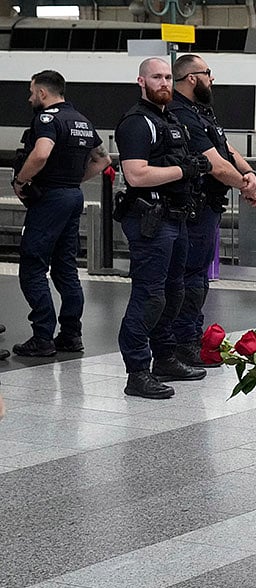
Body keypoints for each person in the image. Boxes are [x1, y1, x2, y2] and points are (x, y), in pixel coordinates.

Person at [115, 57, 213, 399]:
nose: (165, 83)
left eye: (169, 77)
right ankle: (137, 371)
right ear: (141, 81)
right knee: (149, 297)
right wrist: (185, 170)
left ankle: (165, 358)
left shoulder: (169, 119)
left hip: (177, 217)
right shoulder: (137, 122)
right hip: (151, 219)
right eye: (157, 77)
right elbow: (136, 174)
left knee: (175, 293)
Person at [167, 55, 256, 368]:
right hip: (195, 208)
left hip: (207, 208)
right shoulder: (180, 112)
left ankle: (192, 337)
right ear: (192, 78)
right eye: (208, 73)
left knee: (197, 277)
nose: (213, 79)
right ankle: (185, 342)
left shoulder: (199, 111)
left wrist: (249, 172)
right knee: (190, 277)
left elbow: (225, 148)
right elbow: (216, 165)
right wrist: (244, 186)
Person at [10, 70, 110, 357]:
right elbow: (103, 159)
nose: (30, 98)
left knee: (32, 266)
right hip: (71, 197)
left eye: (32, 92)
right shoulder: (82, 121)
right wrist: (73, 182)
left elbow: (41, 153)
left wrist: (21, 181)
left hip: (49, 199)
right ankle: (70, 335)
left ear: (42, 92)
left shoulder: (46, 119)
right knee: (66, 269)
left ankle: (42, 336)